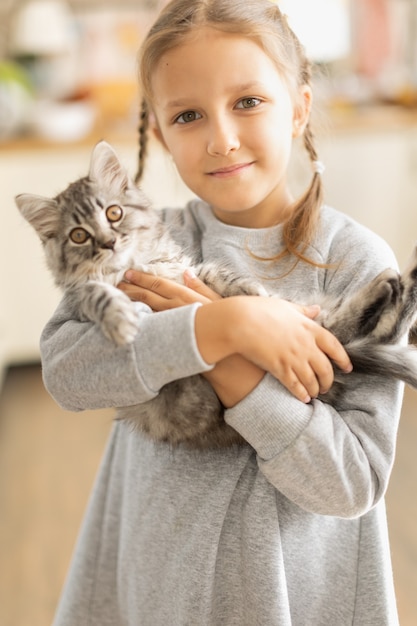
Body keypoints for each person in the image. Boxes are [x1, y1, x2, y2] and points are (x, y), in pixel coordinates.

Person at [42, 1, 403, 624]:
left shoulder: (357, 262)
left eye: (248, 102)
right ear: (159, 134)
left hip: (284, 592)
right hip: (157, 571)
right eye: (188, 115)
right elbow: (68, 371)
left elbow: (352, 483)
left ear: (299, 108)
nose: (222, 138)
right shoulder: (141, 244)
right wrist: (221, 325)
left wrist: (235, 370)